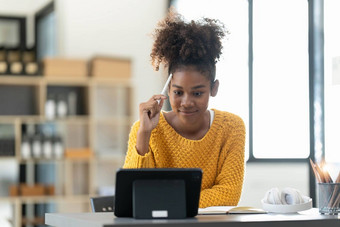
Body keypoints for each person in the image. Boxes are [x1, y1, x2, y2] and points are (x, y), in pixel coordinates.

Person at [123, 9, 245, 208]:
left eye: (197, 93)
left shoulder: (232, 127)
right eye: (178, 92)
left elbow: (229, 194)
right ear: (168, 89)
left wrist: (168, 200)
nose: (186, 102)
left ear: (213, 89)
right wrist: (145, 134)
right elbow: (134, 195)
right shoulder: (144, 129)